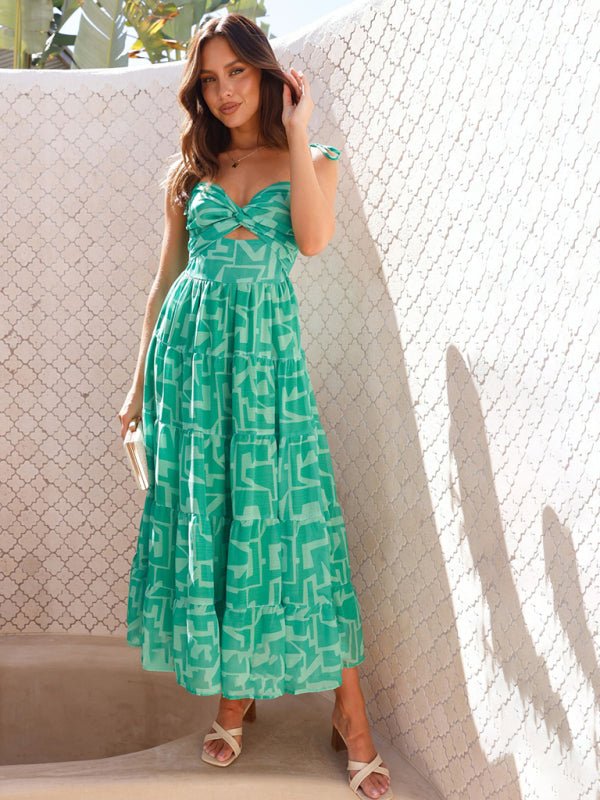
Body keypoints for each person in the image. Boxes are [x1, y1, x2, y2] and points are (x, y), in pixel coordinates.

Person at [117, 12, 392, 800]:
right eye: (209, 78)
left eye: (236, 71)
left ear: (267, 73)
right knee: (220, 526)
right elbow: (164, 284)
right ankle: (235, 695)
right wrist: (138, 387)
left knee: (295, 524)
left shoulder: (309, 160)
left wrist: (300, 134)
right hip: (191, 376)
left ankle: (352, 717)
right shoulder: (190, 171)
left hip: (267, 375)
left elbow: (309, 242)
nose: (224, 90)